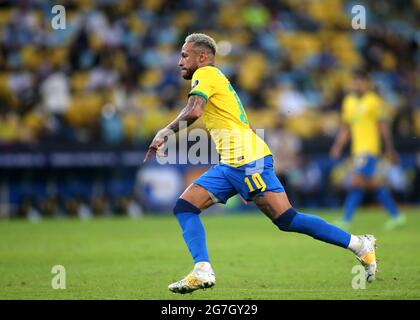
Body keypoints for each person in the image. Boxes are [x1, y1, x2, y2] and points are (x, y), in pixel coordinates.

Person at [144, 33, 377, 294]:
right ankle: (202, 269)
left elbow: (195, 111)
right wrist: (242, 182)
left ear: (202, 57)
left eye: (184, 55)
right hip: (234, 164)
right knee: (185, 206)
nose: (179, 62)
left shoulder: (206, 74)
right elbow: (243, 124)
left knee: (287, 219)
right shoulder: (218, 80)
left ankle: (359, 245)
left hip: (247, 161)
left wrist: (164, 132)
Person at [330, 70, 406, 230]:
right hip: (357, 150)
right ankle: (396, 215)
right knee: (369, 184)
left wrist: (389, 148)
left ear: (366, 83)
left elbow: (383, 126)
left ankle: (346, 219)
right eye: (354, 81)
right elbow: (347, 127)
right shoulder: (348, 102)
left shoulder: (373, 101)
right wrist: (338, 146)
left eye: (360, 81)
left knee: (356, 180)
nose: (357, 84)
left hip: (370, 148)